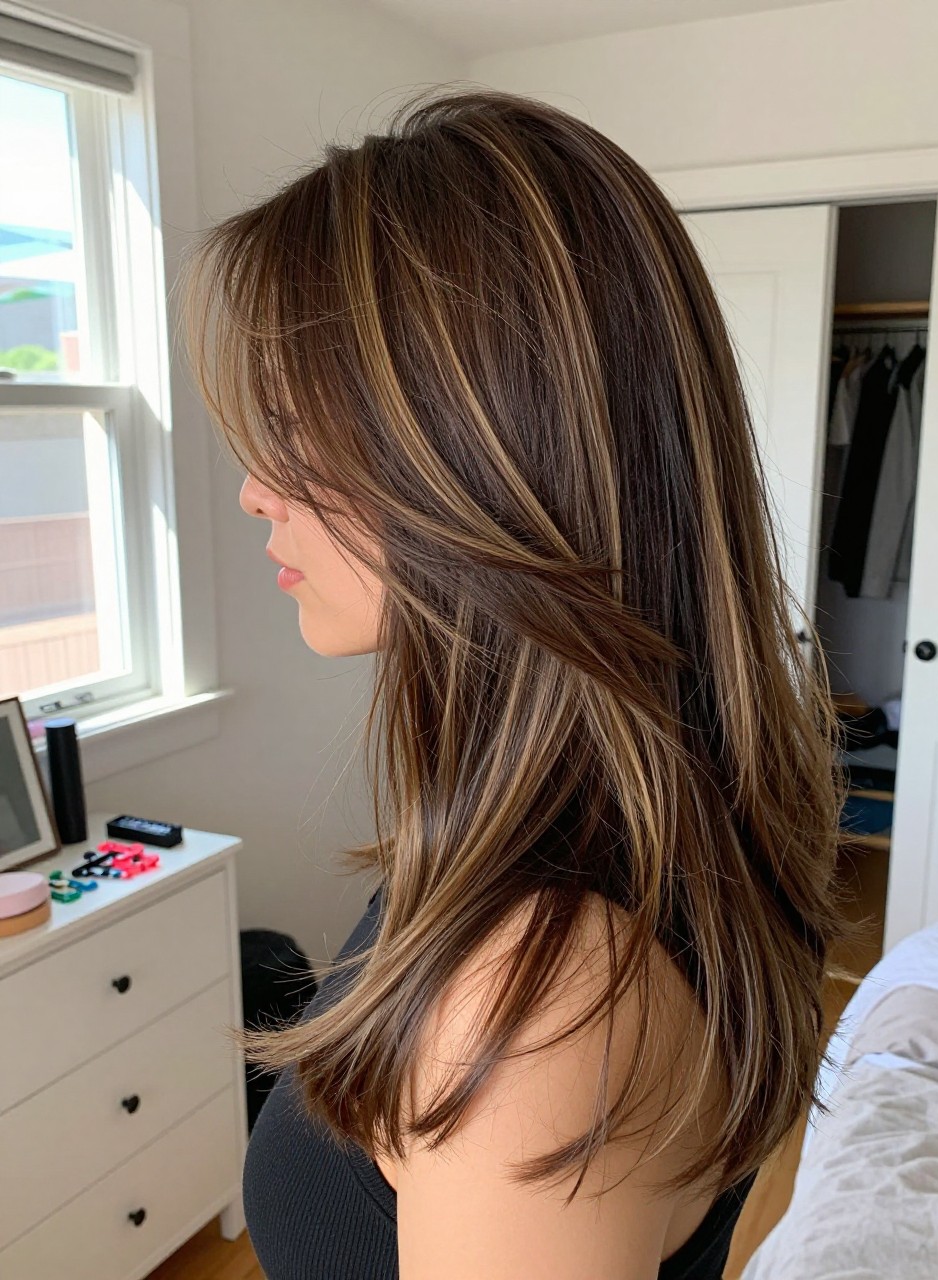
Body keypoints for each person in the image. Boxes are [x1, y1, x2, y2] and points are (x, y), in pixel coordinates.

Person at [182, 89, 845, 1280]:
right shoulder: (617, 823)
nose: (253, 491)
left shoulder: (533, 1008)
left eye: (291, 427)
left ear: (473, 452)